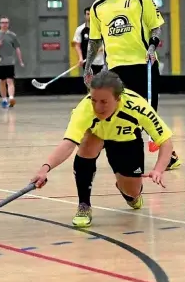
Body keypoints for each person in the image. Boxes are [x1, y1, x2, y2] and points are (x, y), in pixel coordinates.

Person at [79, 0, 181, 225]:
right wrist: (89, 66)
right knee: (124, 115)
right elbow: (95, 40)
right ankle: (129, 166)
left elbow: (155, 26)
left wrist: (152, 45)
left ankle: (166, 154)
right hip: (116, 68)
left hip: (143, 63)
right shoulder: (99, 7)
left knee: (147, 111)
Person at [31, 71, 173, 227]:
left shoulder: (137, 107)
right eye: (94, 100)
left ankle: (129, 192)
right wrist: (45, 168)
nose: (97, 107)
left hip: (125, 139)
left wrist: (158, 170)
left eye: (104, 101)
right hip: (97, 134)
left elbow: (165, 140)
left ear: (118, 98)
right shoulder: (84, 109)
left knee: (132, 192)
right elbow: (68, 143)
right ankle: (84, 205)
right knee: (86, 144)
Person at [0, 16, 24, 108]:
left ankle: (11, 98)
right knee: (2, 81)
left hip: (9, 62)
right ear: (0, 24)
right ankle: (4, 99)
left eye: (6, 23)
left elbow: (17, 48)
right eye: (3, 22)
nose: (4, 24)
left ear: (8, 24)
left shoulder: (12, 36)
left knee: (10, 80)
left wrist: (20, 61)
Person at [72, 7, 104, 75]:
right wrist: (80, 58)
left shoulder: (103, 28)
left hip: (103, 62)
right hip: (88, 62)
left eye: (91, 14)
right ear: (85, 15)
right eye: (88, 14)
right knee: (91, 84)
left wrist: (102, 47)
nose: (90, 16)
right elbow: (77, 45)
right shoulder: (80, 29)